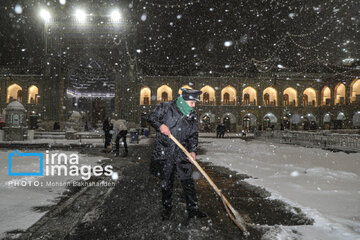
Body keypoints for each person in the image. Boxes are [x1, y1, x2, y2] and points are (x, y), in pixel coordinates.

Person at [147, 88, 207, 221]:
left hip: (182, 152)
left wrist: (192, 150)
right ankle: (167, 209)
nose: (194, 106)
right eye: (192, 103)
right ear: (184, 101)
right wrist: (160, 125)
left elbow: (193, 135)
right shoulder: (166, 107)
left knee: (188, 182)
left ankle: (193, 209)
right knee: (167, 183)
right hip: (165, 152)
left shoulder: (192, 115)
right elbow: (151, 117)